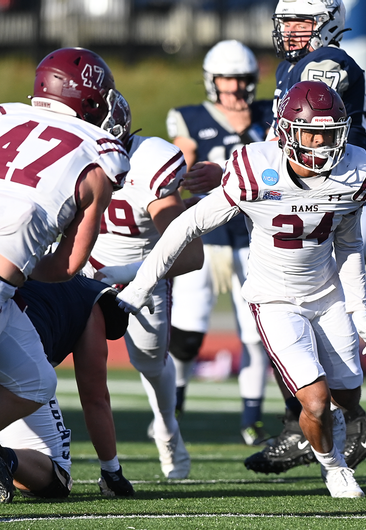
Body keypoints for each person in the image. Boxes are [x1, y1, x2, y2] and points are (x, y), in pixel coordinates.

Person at [116, 80, 366, 499]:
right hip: (274, 299)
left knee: (348, 395)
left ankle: (341, 427)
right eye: (313, 133)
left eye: (331, 134)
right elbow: (188, 224)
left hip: (327, 295)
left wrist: (358, 309)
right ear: (287, 132)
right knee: (314, 401)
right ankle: (335, 467)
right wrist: (138, 287)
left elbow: (348, 243)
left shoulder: (355, 170)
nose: (324, 145)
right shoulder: (256, 168)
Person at [247, 0, 366, 475]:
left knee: (283, 306)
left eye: (301, 21)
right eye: (285, 21)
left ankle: (312, 422)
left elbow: (297, 141)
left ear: (328, 21)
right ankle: (326, 418)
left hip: (344, 209)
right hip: (320, 204)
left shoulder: (327, 65)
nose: (290, 30)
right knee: (284, 316)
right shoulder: (296, 66)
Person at [0, 47, 130, 503]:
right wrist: (22, 260)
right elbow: (67, 267)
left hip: (5, 293)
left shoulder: (4, 117)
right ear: (91, 101)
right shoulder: (98, 159)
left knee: (37, 381)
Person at [86, 92, 203, 480]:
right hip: (79, 269)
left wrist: (127, 273)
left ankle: (167, 426)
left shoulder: (150, 162)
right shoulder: (63, 155)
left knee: (150, 363)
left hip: (145, 274)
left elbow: (190, 255)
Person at [165, 39, 275, 446]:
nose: (234, 88)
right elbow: (180, 165)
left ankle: (252, 418)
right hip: (209, 236)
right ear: (213, 82)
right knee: (188, 335)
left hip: (255, 236)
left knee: (257, 334)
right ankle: (172, 408)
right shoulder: (190, 118)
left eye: (241, 79)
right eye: (227, 79)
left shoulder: (270, 115)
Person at [0, 276, 134, 499]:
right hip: (18, 361)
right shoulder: (89, 298)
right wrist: (112, 471)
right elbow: (95, 397)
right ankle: (6, 458)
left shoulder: (27, 266)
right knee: (57, 479)